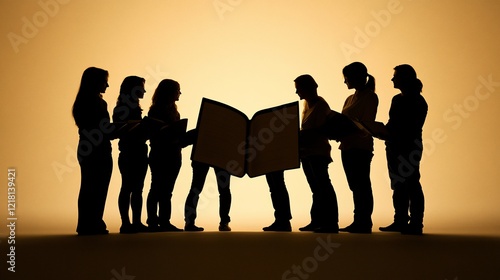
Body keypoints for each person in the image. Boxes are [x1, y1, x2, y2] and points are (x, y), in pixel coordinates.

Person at [379, 64, 428, 235]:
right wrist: (383, 131)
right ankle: (400, 220)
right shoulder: (397, 99)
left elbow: (409, 127)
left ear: (406, 78)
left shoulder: (417, 101)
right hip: (394, 146)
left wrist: (386, 132)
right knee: (399, 184)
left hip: (408, 147)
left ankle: (415, 223)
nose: (392, 79)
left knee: (411, 183)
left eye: (396, 76)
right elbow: (393, 124)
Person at [294, 74, 339, 233]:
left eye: (298, 89)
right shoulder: (307, 105)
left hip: (318, 152)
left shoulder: (320, 105)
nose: (296, 93)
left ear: (307, 88)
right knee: (316, 188)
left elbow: (318, 131)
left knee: (323, 186)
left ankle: (331, 222)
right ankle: (317, 220)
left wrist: (298, 136)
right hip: (307, 152)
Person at [338, 62, 379, 234]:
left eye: (346, 77)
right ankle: (358, 220)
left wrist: (347, 127)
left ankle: (364, 221)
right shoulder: (350, 98)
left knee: (362, 184)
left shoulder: (369, 97)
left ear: (355, 77)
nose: (345, 81)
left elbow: (365, 123)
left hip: (360, 147)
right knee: (355, 185)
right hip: (347, 146)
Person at [72, 67, 113, 235]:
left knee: (88, 187)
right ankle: (94, 221)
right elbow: (103, 130)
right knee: (98, 187)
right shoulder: (98, 103)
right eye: (104, 81)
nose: (107, 85)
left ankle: (86, 223)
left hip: (86, 148)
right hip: (99, 149)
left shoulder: (81, 102)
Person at [146, 79, 184, 232]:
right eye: (177, 90)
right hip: (160, 153)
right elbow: (154, 132)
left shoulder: (174, 111)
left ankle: (164, 220)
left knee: (167, 189)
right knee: (156, 187)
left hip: (174, 153)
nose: (179, 93)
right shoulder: (155, 111)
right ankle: (154, 220)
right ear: (169, 92)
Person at [112, 76, 149, 234]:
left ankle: (134, 222)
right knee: (128, 187)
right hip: (130, 151)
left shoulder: (129, 107)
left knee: (135, 188)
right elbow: (118, 130)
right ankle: (127, 223)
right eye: (141, 87)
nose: (144, 91)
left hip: (137, 150)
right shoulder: (122, 109)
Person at [183, 161, 232, 232]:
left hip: (202, 155)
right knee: (224, 191)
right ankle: (224, 223)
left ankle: (189, 223)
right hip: (221, 155)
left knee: (195, 189)